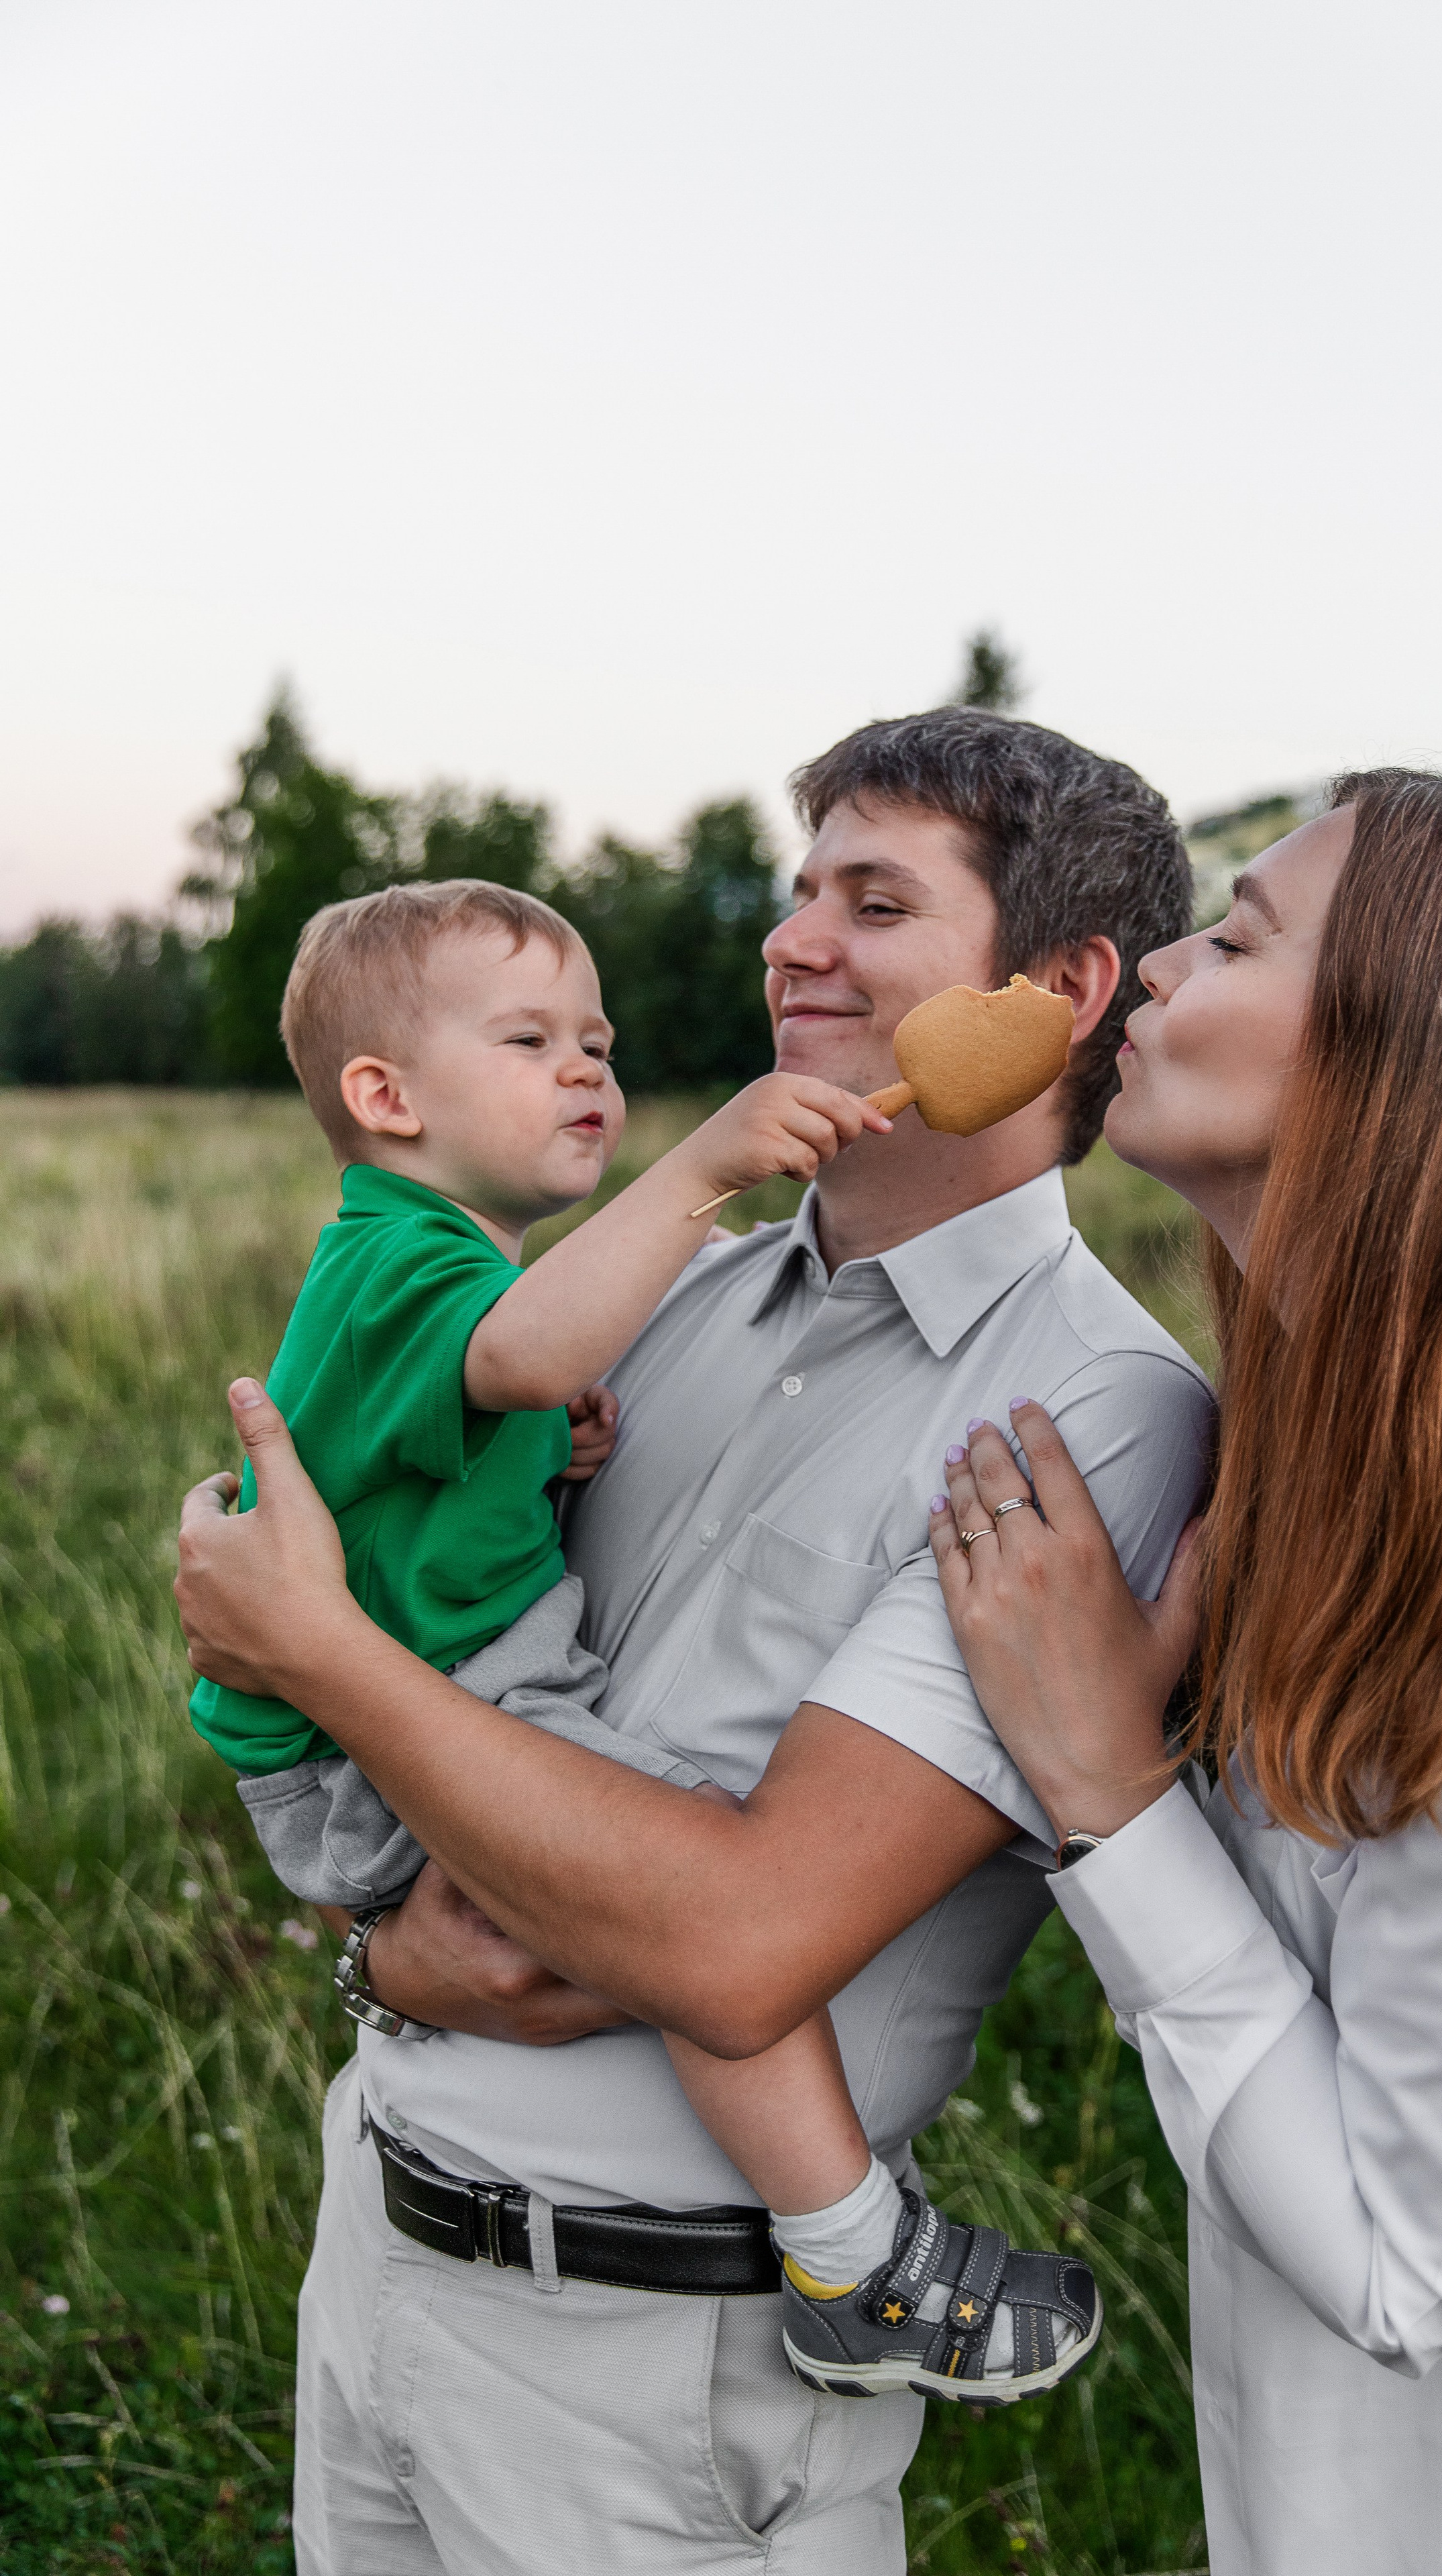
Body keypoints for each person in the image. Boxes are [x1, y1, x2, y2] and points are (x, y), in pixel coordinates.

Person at [173, 706, 1214, 2576]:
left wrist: (320, 1658)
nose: (790, 938)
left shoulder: (1102, 1414)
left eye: (873, 900)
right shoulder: (660, 1301)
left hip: (661, 2373)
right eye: (799, 885)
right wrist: (389, 1939)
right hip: (383, 2254)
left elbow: (733, 1945)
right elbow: (440, 1700)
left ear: (1059, 986)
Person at [926, 767, 1442, 2576]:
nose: (1152, 975)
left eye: (1237, 933)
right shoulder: (1352, 1510)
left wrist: (1112, 1794)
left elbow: (1415, 2270)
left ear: (1405, 1052)